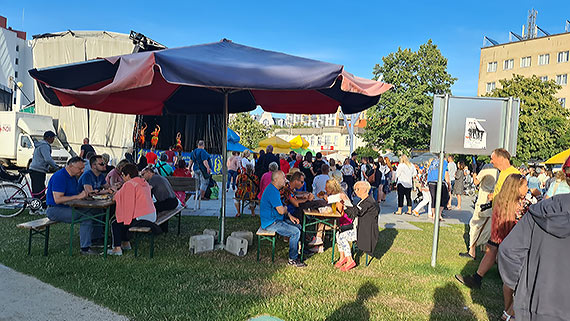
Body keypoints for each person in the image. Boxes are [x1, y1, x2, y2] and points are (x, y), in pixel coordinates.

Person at [455, 148, 521, 290]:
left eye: (492, 158)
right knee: (494, 248)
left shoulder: (514, 174)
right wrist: (493, 198)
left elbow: (517, 195)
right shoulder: (503, 173)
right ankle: (480, 278)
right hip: (499, 215)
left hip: (505, 218)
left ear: (501, 158)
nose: (491, 161)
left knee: (495, 248)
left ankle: (480, 279)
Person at [498, 192, 570, 321]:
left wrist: (522, 287)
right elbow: (508, 251)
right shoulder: (541, 210)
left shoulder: (543, 209)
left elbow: (509, 251)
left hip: (535, 302)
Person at [45, 157, 96, 255]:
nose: (82, 171)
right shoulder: (59, 176)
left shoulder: (73, 177)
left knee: (91, 214)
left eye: (83, 169)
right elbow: (58, 199)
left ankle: (89, 245)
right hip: (55, 209)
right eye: (79, 169)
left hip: (68, 207)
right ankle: (87, 246)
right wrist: (78, 196)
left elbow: (74, 195)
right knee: (88, 214)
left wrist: (85, 197)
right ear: (70, 166)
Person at [108, 163, 160, 256]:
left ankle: (117, 248)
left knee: (116, 223)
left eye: (123, 175)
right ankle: (125, 243)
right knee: (124, 220)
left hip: (141, 217)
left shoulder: (130, 184)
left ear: (128, 175)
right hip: (151, 215)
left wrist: (115, 191)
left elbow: (116, 198)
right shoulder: (143, 182)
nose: (123, 178)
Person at [260, 170, 306, 267]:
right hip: (270, 223)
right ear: (276, 180)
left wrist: (290, 215)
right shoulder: (272, 191)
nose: (285, 180)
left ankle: (299, 252)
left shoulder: (274, 190)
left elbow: (282, 209)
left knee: (298, 225)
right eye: (283, 178)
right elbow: (281, 210)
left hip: (276, 219)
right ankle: (292, 259)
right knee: (295, 232)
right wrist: (285, 210)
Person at [459, 164, 499, 260]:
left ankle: (472, 250)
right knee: (488, 226)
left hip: (483, 199)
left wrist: (474, 174)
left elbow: (476, 182)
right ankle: (486, 250)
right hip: (492, 200)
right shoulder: (498, 170)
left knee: (474, 225)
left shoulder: (487, 168)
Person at [338, 181, 379, 271]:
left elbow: (357, 212)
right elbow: (354, 212)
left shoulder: (369, 202)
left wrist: (345, 203)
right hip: (359, 229)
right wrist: (345, 205)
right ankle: (342, 257)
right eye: (355, 189)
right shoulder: (365, 200)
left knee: (341, 237)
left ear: (365, 189)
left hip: (365, 232)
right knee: (338, 233)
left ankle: (349, 260)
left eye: (357, 189)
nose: (355, 191)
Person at [141, 165, 179, 232]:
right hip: (174, 201)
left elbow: (146, 192)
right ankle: (163, 228)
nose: (142, 177)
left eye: (143, 174)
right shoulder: (160, 177)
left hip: (168, 202)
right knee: (157, 206)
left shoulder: (153, 179)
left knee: (150, 208)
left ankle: (154, 228)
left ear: (149, 172)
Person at [28, 130, 60, 200]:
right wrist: (56, 167)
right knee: (39, 191)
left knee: (38, 190)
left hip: (35, 169)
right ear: (49, 138)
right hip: (38, 170)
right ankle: (35, 208)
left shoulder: (40, 144)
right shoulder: (45, 146)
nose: (53, 140)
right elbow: (48, 159)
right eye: (53, 138)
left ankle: (38, 205)